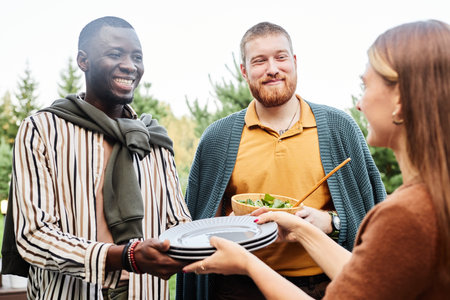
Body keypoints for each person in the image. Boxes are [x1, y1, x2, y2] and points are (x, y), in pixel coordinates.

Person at [183, 19, 450, 299]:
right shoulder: (425, 201)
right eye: (260, 60)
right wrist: (297, 228)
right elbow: (371, 274)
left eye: (365, 86)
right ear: (244, 70)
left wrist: (330, 223)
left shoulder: (402, 214)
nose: (359, 103)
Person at [1, 16, 191, 300]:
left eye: (137, 56)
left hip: (145, 292)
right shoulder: (42, 129)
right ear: (83, 60)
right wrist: (122, 257)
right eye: (115, 54)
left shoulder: (154, 139)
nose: (130, 65)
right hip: (69, 293)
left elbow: (178, 223)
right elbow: (33, 235)